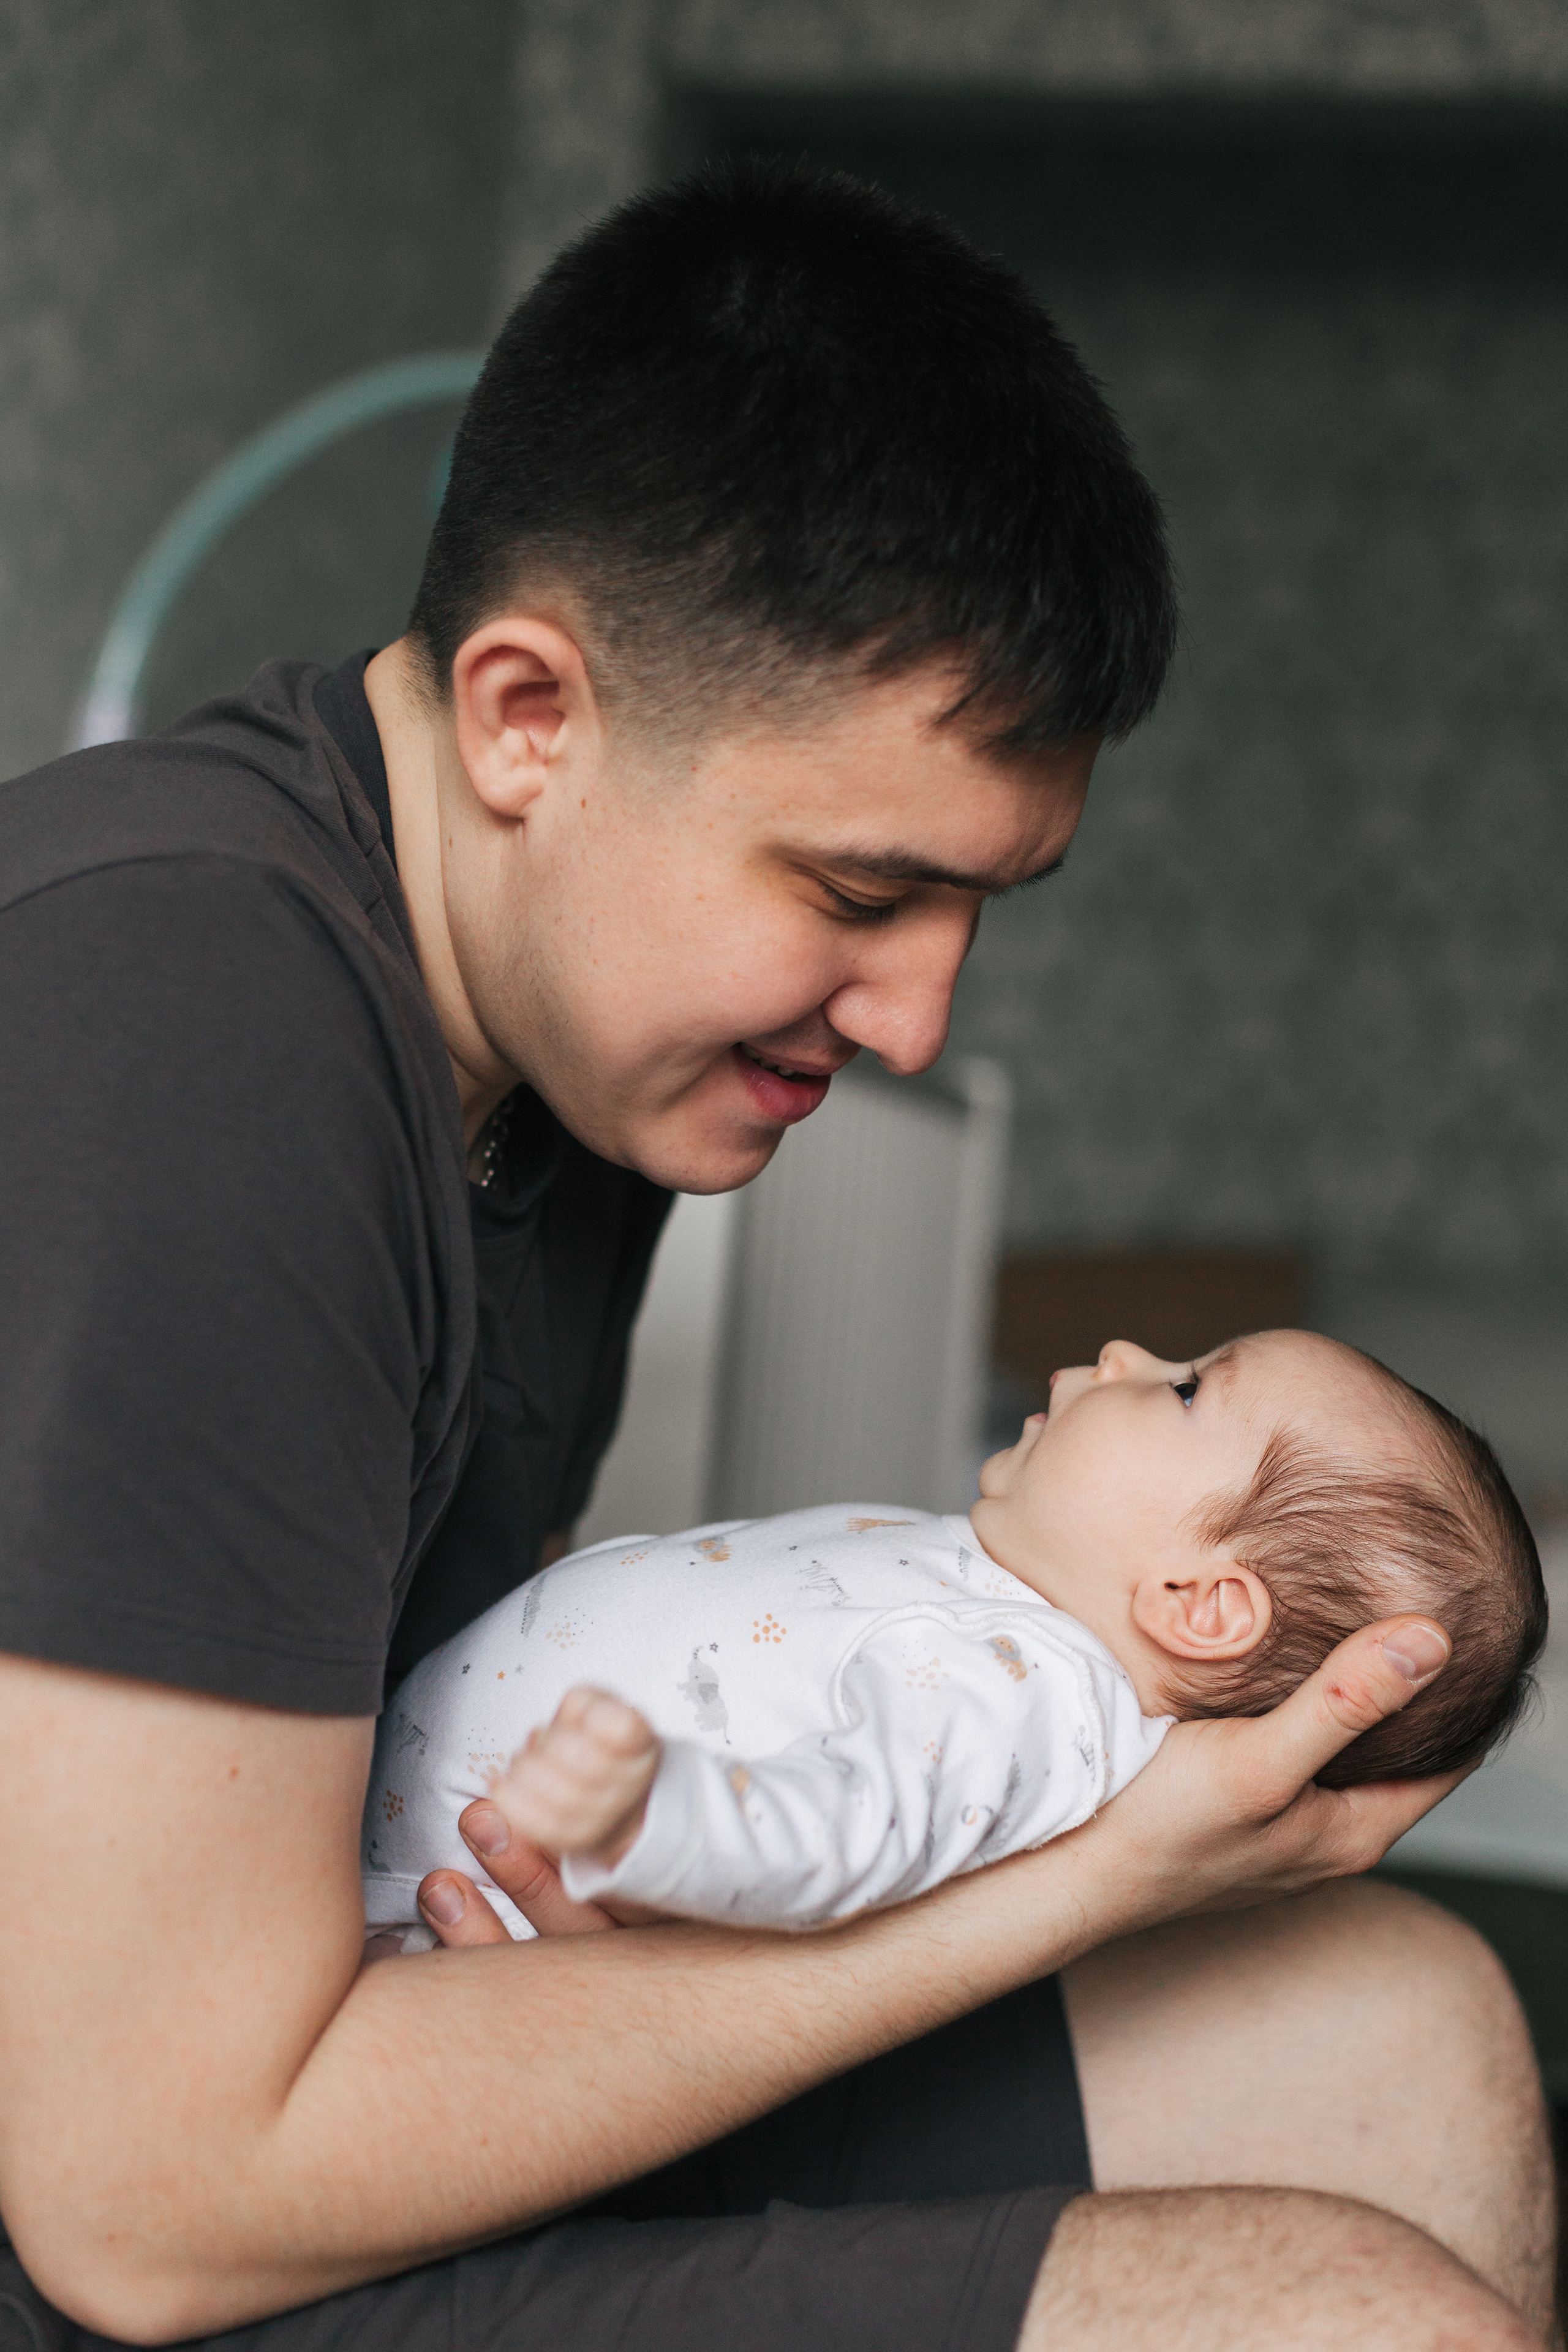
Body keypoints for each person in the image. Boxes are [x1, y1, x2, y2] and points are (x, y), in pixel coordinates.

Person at [0, 161, 1554, 2352]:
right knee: (1353, 2316)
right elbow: (145, 2210)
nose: (920, 1018)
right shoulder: (188, 1041)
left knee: (1396, 2017)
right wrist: (1102, 1874)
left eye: (975, 910)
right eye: (859, 890)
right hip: (125, 2217)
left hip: (352, 2049)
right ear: (532, 719)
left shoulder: (578, 1048)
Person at [361, 1329, 1546, 1940]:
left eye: (1187, 1387)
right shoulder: (996, 1592)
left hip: (442, 1902)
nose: (1128, 1356)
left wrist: (653, 1818)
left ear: (1203, 1604)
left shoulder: (1031, 1701)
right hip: (393, 1806)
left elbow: (848, 1836)